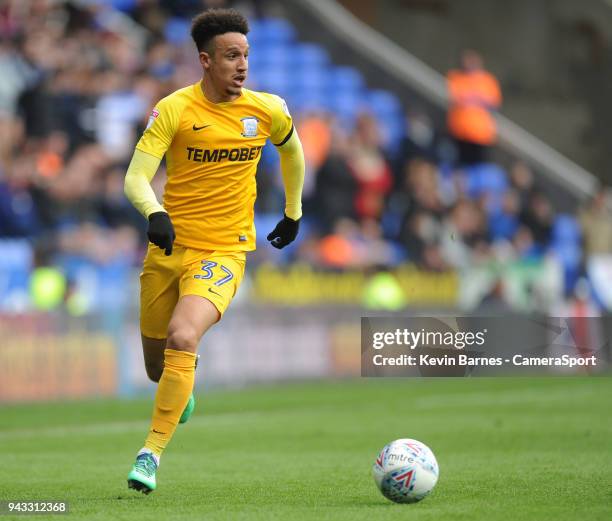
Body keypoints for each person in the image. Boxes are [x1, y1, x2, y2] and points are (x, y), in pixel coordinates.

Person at [123, 8, 304, 494]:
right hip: (168, 249)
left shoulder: (267, 110)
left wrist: (292, 211)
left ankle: (149, 455)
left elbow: (292, 150)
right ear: (205, 61)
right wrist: (154, 212)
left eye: (245, 55)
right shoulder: (175, 110)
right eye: (230, 56)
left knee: (184, 337)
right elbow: (136, 176)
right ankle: (181, 389)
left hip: (223, 252)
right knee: (157, 367)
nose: (241, 65)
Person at [447, 50, 502, 166]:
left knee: (479, 167)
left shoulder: (488, 80)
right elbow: (456, 98)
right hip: (459, 133)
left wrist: (471, 97)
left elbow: (493, 102)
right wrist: (477, 98)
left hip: (481, 135)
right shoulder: (456, 77)